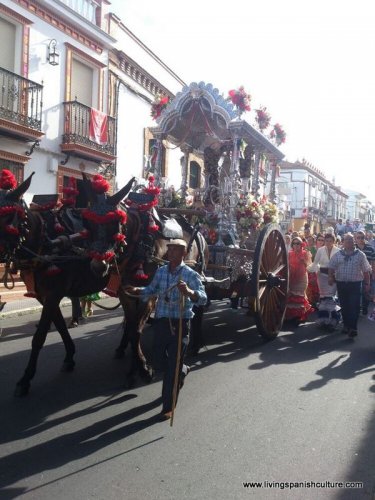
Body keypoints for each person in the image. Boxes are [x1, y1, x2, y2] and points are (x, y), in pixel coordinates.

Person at [125, 239, 207, 420]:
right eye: (169, 250)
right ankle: (183, 370)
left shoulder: (190, 274)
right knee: (158, 361)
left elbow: (203, 298)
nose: (170, 253)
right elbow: (152, 290)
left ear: (183, 253)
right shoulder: (161, 271)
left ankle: (168, 407)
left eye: (175, 250)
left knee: (172, 368)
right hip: (161, 323)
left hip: (180, 324)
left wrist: (190, 293)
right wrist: (137, 290)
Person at [328, 233, 372, 337]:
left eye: (351, 240)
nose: (349, 242)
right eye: (347, 240)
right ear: (343, 242)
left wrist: (367, 283)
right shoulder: (338, 255)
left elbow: (366, 270)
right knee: (344, 306)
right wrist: (330, 277)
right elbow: (331, 266)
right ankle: (346, 326)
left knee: (354, 306)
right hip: (341, 284)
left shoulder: (360, 255)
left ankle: (352, 328)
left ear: (354, 242)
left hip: (355, 285)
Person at [308, 233, 341, 331]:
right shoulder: (320, 250)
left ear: (334, 241)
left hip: (334, 276)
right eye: (326, 241)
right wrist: (310, 271)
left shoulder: (338, 251)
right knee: (323, 298)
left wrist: (336, 276)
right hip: (321, 276)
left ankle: (333, 320)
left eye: (330, 241)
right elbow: (315, 263)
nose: (328, 242)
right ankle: (323, 319)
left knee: (331, 298)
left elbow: (339, 265)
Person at [285, 237, 314, 324]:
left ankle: (299, 315)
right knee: (291, 295)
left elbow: (310, 267)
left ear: (301, 244)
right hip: (292, 277)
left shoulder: (306, 253)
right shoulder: (289, 254)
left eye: (298, 243)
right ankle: (291, 315)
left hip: (302, 278)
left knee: (299, 296)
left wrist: (304, 262)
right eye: (294, 243)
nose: (296, 245)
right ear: (292, 245)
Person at [354, 230, 375, 315]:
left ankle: (365, 308)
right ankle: (357, 308)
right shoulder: (353, 248)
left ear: (365, 237)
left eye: (362, 237)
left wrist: (373, 273)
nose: (360, 239)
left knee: (366, 291)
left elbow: (373, 262)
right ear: (355, 238)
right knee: (356, 292)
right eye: (358, 237)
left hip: (367, 274)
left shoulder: (370, 248)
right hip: (355, 274)